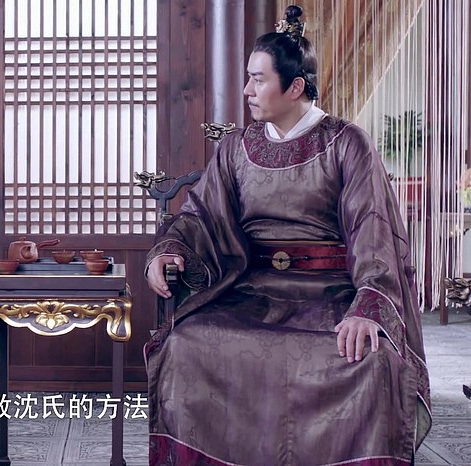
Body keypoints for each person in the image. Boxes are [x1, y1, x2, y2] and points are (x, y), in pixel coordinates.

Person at [145, 5, 431, 465]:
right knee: (185, 344)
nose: (247, 91)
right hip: (253, 290)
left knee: (371, 360)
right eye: (248, 79)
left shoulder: (346, 143)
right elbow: (201, 214)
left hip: (330, 291)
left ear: (295, 86)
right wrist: (171, 249)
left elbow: (374, 227)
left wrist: (368, 306)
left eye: (258, 80)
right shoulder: (237, 148)